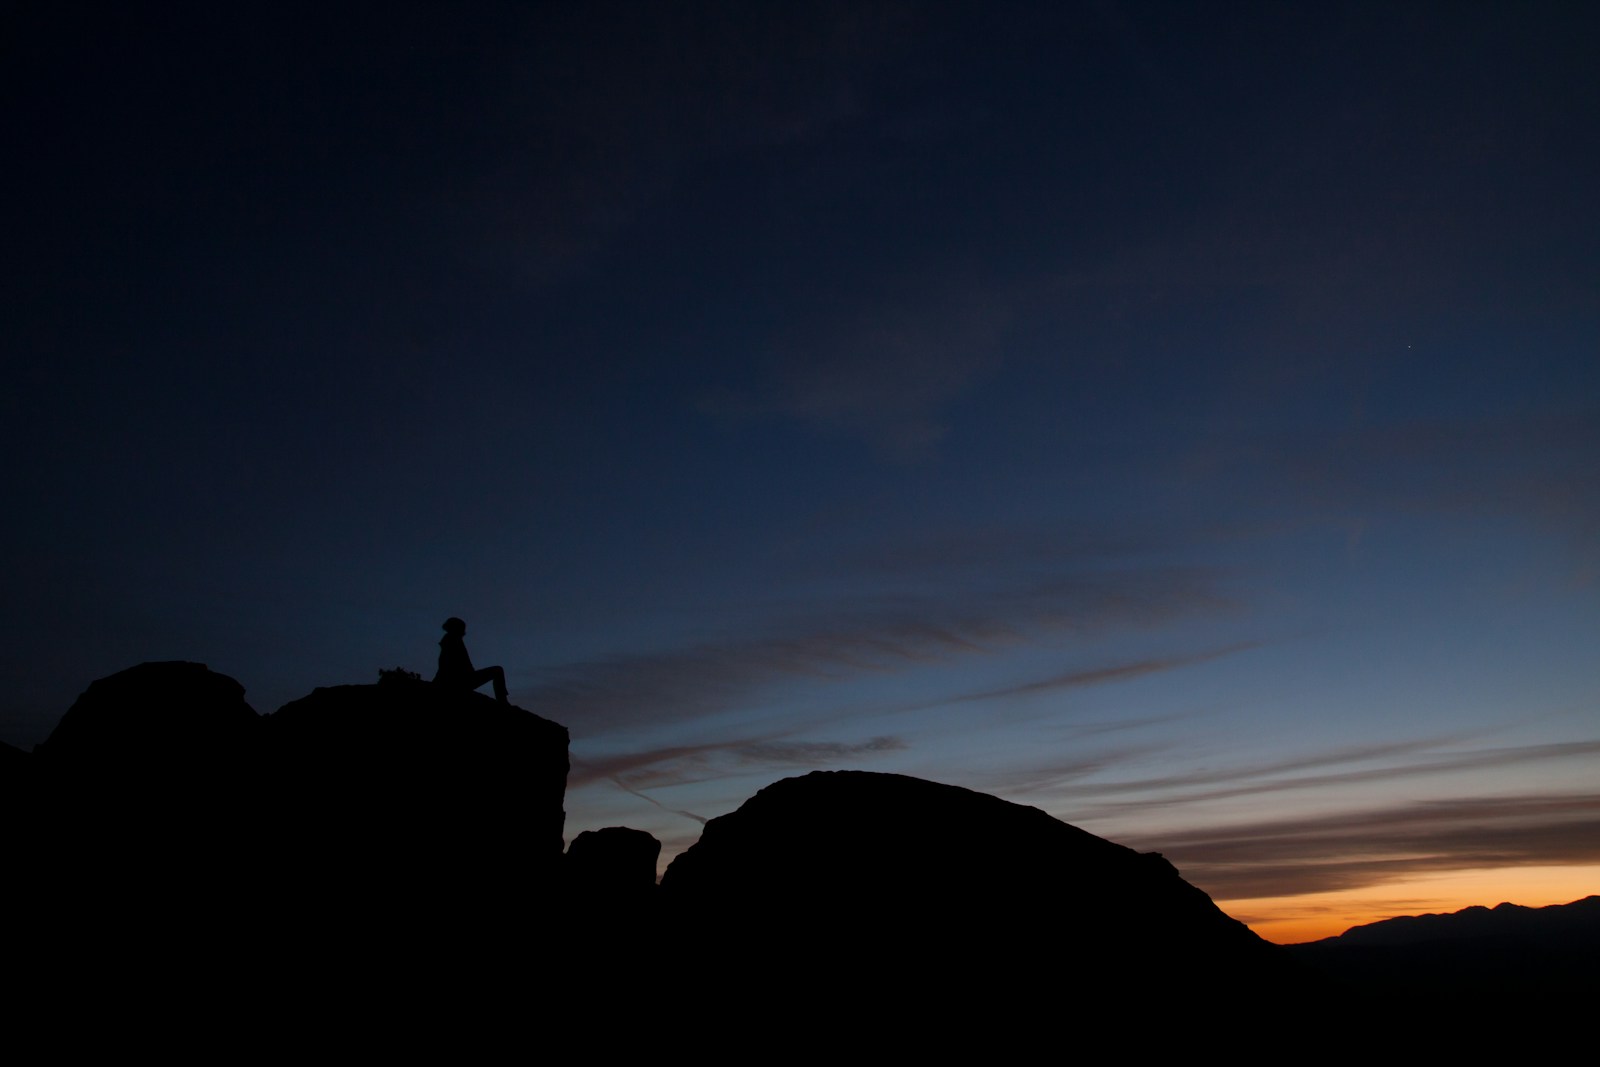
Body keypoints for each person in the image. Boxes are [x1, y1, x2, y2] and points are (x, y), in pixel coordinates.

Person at [433, 617, 509, 703]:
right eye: (461, 628)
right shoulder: (451, 640)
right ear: (455, 628)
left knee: (497, 670)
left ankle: (502, 700)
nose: (463, 632)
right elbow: (445, 664)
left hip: (463, 679)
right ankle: (503, 701)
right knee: (497, 670)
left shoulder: (451, 640)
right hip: (461, 681)